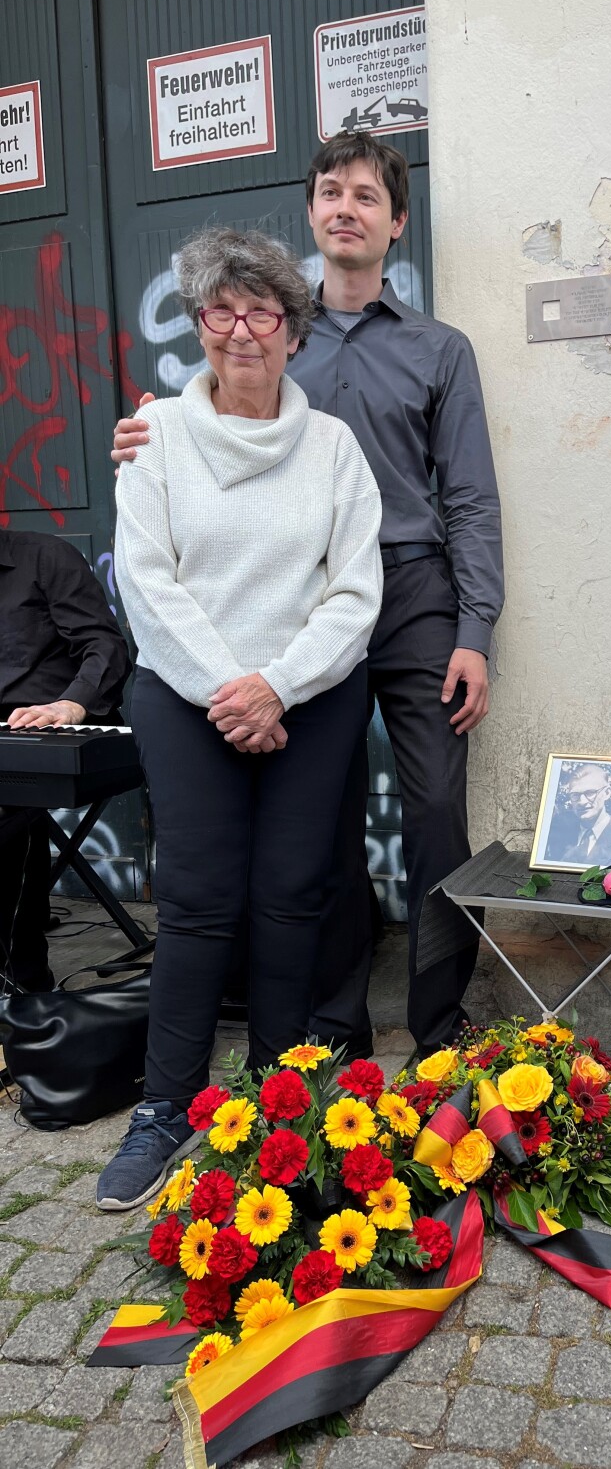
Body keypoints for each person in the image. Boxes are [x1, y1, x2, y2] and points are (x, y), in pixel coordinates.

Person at [113, 133, 503, 1061]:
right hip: (291, 606)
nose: (346, 209)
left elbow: (471, 495)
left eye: (367, 196)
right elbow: (196, 435)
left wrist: (475, 627)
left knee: (435, 815)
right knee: (316, 826)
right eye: (331, 192)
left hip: (406, 590)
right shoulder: (271, 328)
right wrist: (140, 434)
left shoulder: (438, 350)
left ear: (395, 221)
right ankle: (333, 1029)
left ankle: (439, 1031)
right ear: (311, 214)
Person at [97, 227, 383, 1211]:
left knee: (294, 894)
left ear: (294, 332)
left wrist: (280, 687)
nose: (242, 331)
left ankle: (275, 1099)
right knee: (200, 901)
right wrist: (234, 689)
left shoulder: (335, 449)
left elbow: (354, 592)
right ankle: (167, 1107)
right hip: (187, 697)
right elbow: (148, 580)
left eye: (263, 311)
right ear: (199, 325)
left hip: (310, 695)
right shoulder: (156, 439)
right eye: (221, 311)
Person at [0, 531, 130, 990]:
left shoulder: (45, 557)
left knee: (7, 803)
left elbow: (106, 646)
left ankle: (20, 977)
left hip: (60, 722)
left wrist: (71, 704)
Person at [547, 764, 611, 866]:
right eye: (575, 795)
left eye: (590, 793)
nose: (582, 801)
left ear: (607, 793)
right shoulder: (558, 834)